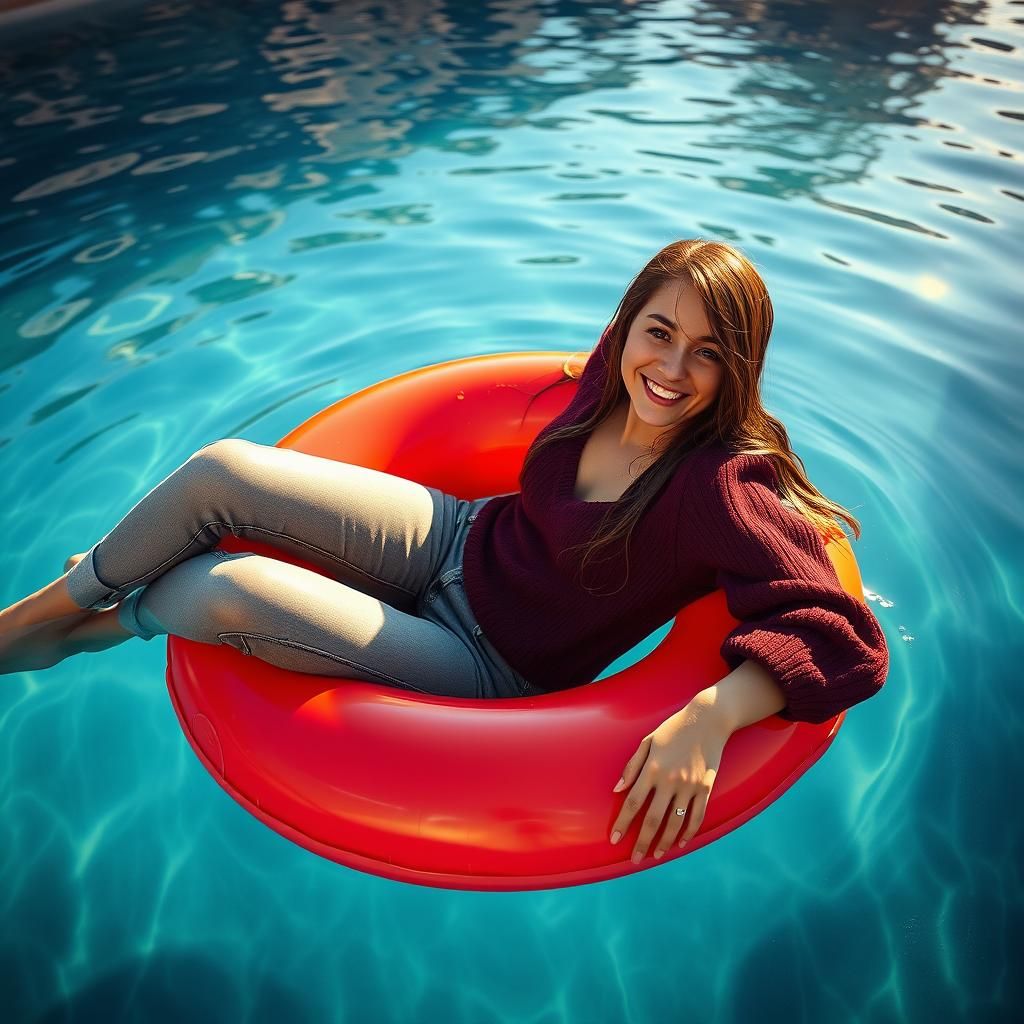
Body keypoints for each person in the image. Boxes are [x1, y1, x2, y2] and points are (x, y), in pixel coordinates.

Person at [0, 239, 889, 862]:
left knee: (221, 588)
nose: (672, 369)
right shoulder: (607, 384)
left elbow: (844, 638)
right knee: (220, 470)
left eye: (708, 354)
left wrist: (712, 714)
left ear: (737, 368)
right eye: (659, 333)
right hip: (458, 535)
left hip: (488, 658)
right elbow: (618, 375)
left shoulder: (718, 486)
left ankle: (102, 629)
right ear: (627, 326)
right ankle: (43, 612)